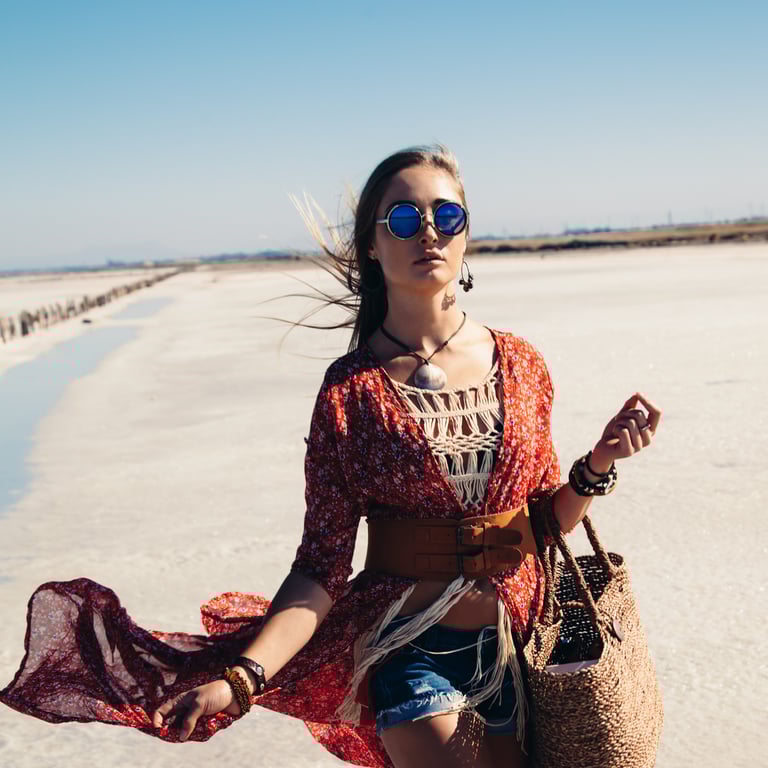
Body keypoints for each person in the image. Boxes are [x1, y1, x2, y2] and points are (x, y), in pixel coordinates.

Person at [0, 145, 661, 768]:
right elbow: (319, 569)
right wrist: (242, 677)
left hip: (527, 650)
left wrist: (597, 464)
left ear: (465, 236)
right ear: (372, 246)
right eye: (403, 218)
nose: (426, 230)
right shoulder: (351, 393)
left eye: (445, 215)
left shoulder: (521, 364)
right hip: (411, 657)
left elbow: (543, 522)